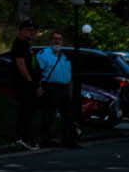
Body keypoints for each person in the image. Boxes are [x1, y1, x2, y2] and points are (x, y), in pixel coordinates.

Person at [34, 30, 79, 149]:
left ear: (63, 42)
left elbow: (69, 75)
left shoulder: (65, 56)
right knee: (49, 115)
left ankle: (68, 140)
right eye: (55, 39)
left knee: (67, 115)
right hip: (50, 87)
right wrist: (38, 87)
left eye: (59, 39)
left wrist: (70, 90)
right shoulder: (43, 54)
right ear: (50, 41)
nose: (57, 41)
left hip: (64, 88)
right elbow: (37, 72)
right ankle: (46, 140)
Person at [8, 18, 41, 149]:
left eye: (33, 30)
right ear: (21, 31)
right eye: (29, 30)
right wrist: (29, 80)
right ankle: (23, 138)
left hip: (30, 83)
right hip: (24, 83)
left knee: (29, 111)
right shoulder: (19, 44)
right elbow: (20, 64)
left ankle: (26, 137)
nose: (32, 32)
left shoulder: (27, 45)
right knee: (25, 111)